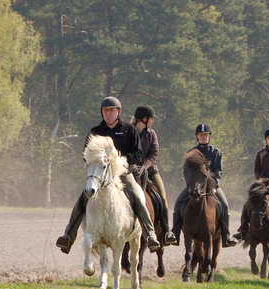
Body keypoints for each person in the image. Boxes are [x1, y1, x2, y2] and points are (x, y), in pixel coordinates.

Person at [56, 97, 161, 254]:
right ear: (102, 113)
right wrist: (94, 162)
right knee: (83, 198)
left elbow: (138, 153)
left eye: (112, 110)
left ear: (119, 112)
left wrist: (124, 159)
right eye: (105, 110)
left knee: (138, 196)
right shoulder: (95, 132)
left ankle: (150, 234)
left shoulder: (129, 129)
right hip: (100, 174)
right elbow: (85, 154)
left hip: (124, 173)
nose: (108, 113)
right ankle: (68, 237)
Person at [170, 123, 238, 247]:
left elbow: (218, 171)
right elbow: (186, 170)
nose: (203, 137)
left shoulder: (216, 152)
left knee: (225, 205)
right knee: (178, 202)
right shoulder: (192, 152)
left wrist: (214, 185)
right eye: (201, 135)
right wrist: (191, 184)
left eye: (205, 135)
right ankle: (174, 233)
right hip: (195, 185)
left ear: (209, 136)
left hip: (211, 185)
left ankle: (226, 235)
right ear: (197, 136)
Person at [234, 129, 269, 240]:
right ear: (266, 140)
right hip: (263, 184)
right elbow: (257, 169)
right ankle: (243, 229)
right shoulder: (260, 154)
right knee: (248, 204)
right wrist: (261, 179)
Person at [131, 105, 177, 245]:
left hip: (150, 171)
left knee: (162, 196)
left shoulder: (152, 134)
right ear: (144, 119)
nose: (153, 122)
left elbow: (154, 153)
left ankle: (166, 230)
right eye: (151, 119)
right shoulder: (128, 132)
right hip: (130, 170)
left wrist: (144, 167)